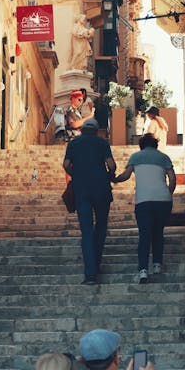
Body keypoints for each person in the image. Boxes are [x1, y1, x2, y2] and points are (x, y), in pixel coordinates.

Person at [112, 133, 176, 283]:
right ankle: (157, 264)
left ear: (141, 145)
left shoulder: (135, 157)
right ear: (155, 145)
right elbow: (172, 178)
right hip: (163, 200)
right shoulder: (164, 158)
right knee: (158, 232)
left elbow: (126, 175)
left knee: (145, 235)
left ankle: (143, 270)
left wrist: (113, 179)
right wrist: (168, 193)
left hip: (143, 201)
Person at [63, 117, 116, 284]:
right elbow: (111, 165)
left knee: (86, 231)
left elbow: (65, 165)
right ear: (96, 130)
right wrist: (108, 174)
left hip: (81, 190)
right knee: (100, 227)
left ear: (83, 130)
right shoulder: (102, 143)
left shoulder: (73, 143)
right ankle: (96, 263)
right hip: (101, 189)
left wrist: (76, 174)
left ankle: (90, 274)